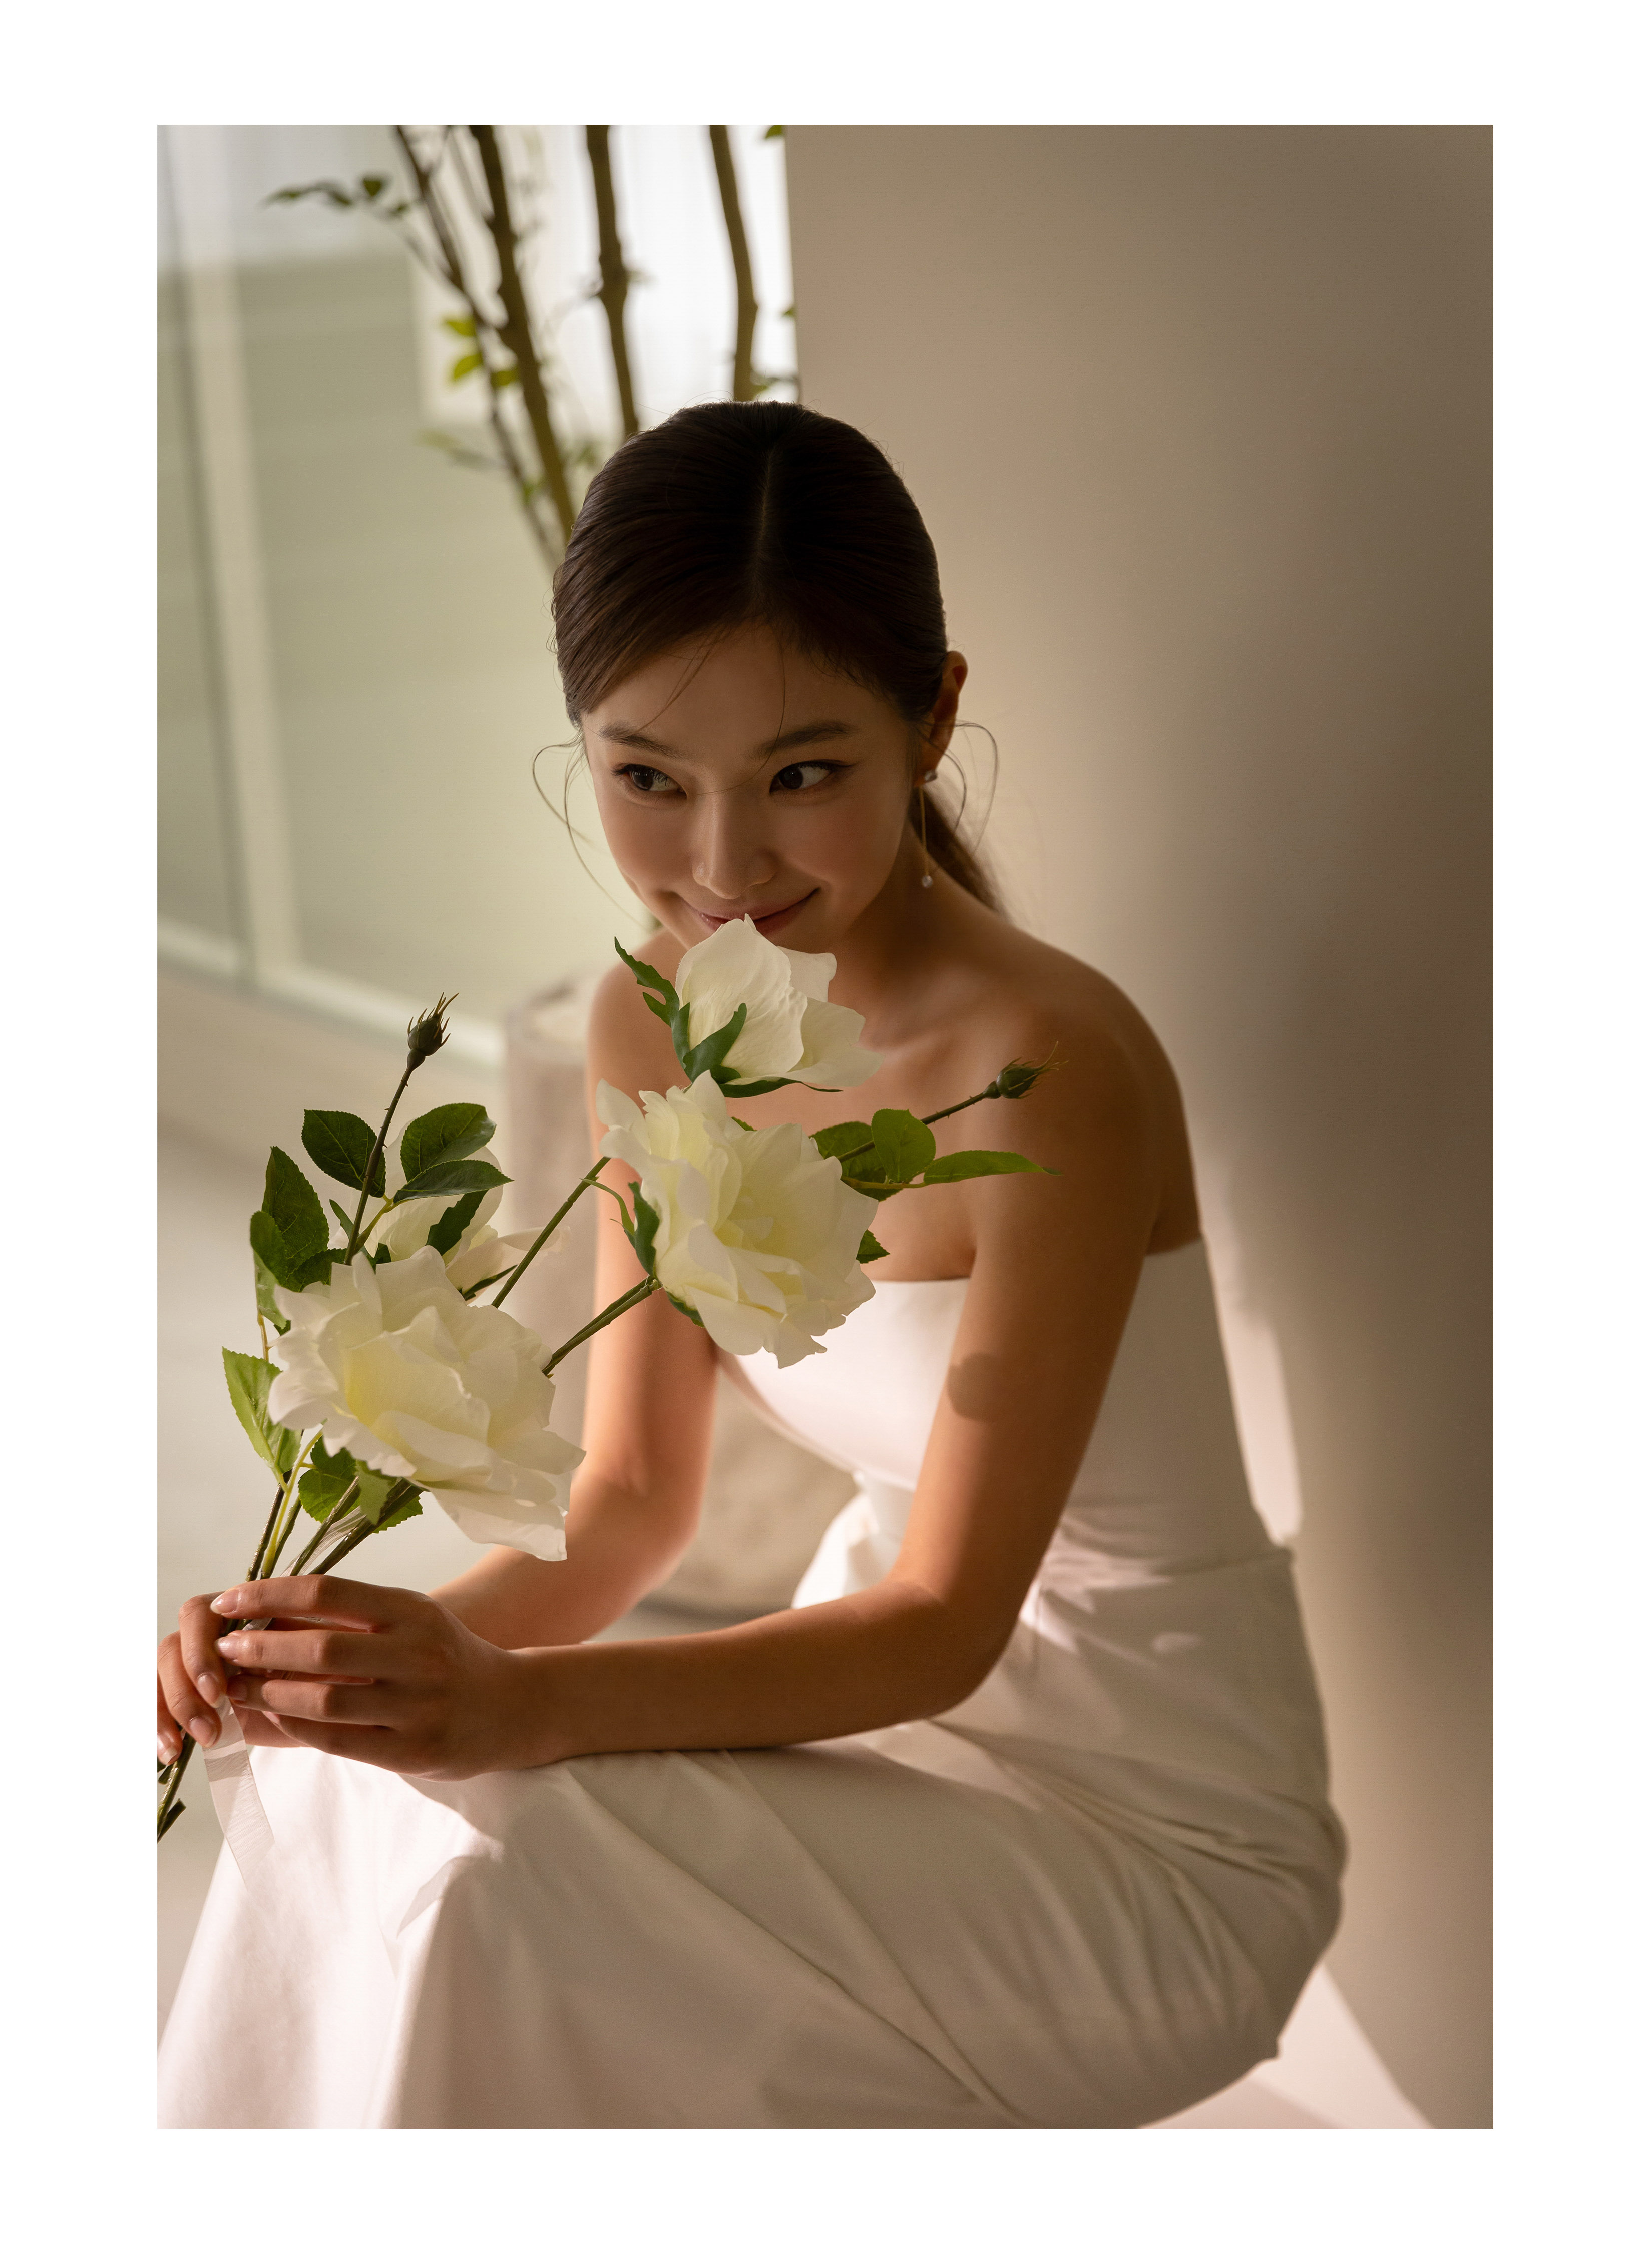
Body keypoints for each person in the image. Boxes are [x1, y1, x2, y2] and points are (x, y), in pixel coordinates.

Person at [157, 401, 1344, 2129]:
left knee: (512, 1861)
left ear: (930, 717)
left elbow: (944, 1627)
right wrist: (346, 1658)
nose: (721, 867)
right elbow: (632, 1502)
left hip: (1147, 1820)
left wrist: (504, 1704)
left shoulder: (1048, 1065)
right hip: (877, 1740)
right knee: (363, 1783)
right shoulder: (651, 1021)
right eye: (648, 778)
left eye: (801, 775)